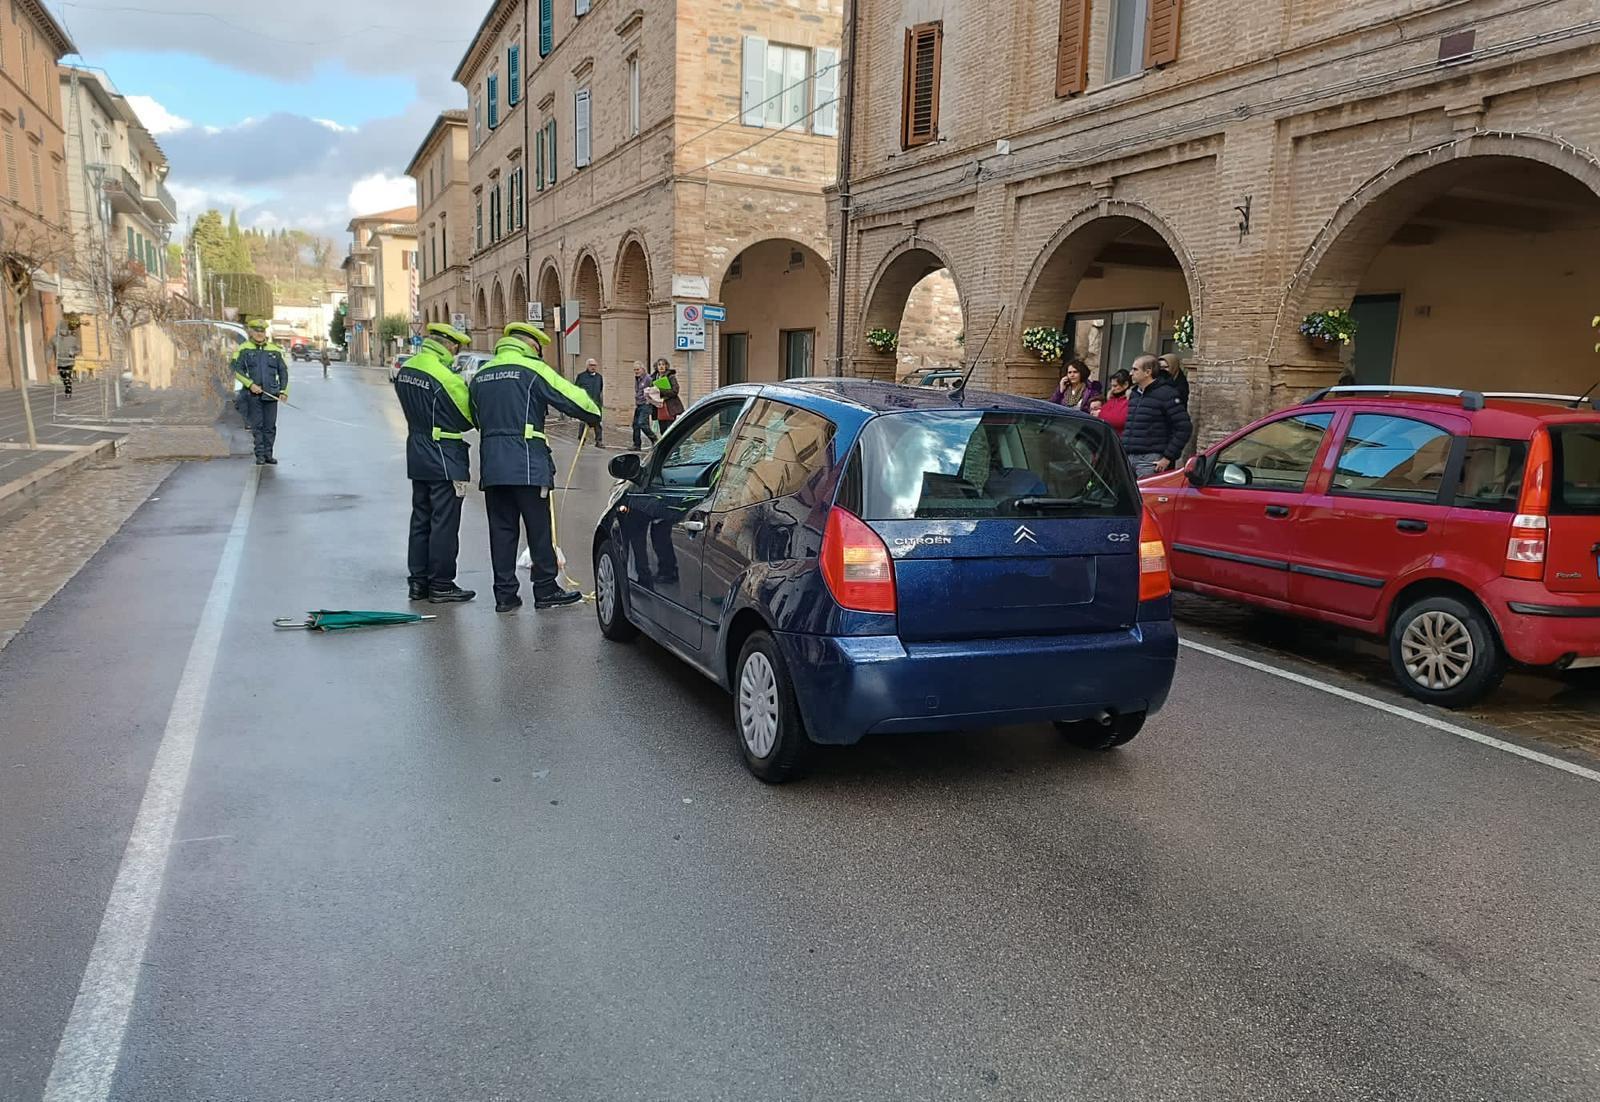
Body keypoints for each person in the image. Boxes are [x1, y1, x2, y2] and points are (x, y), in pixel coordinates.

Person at [469, 322, 602, 613]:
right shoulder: (532, 369)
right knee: (539, 528)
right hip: (528, 463)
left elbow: (475, 417)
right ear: (532, 345)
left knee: (501, 531)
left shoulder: (480, 375)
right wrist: (593, 414)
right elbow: (577, 400)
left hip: (493, 466)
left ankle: (505, 596)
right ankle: (545, 590)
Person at [394, 322, 477, 605]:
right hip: (445, 455)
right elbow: (468, 417)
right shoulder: (445, 376)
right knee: (444, 521)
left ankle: (418, 583)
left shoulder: (408, 368)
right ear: (450, 345)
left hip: (417, 451)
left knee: (421, 518)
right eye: (456, 348)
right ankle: (442, 583)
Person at [1121, 354, 1192, 479]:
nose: (1131, 373)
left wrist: (1168, 457)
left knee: (1147, 496)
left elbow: (1184, 427)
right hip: (1128, 455)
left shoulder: (1166, 393)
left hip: (1150, 459)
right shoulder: (1134, 394)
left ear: (1148, 372)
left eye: (1135, 369)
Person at [232, 318, 290, 465]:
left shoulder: (275, 350)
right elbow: (235, 369)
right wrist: (250, 384)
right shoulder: (243, 349)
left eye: (262, 331)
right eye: (256, 331)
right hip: (253, 395)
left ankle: (269, 454)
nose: (259, 334)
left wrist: (283, 391)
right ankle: (260, 455)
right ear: (251, 332)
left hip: (271, 394)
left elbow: (284, 372)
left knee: (270, 427)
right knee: (257, 426)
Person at [576, 357, 605, 447]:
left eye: (594, 365)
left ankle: (598, 441)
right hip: (585, 403)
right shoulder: (581, 376)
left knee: (597, 423)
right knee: (583, 422)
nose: (593, 367)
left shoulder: (599, 377)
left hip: (596, 403)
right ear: (587, 366)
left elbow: (600, 388)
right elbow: (577, 388)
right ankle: (581, 439)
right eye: (591, 365)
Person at [631, 361, 658, 449]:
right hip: (638, 404)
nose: (636, 371)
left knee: (642, 423)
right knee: (635, 425)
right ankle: (636, 444)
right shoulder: (637, 379)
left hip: (646, 404)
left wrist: (649, 400)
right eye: (635, 370)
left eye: (638, 369)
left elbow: (653, 390)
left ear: (642, 369)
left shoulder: (648, 379)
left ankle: (654, 439)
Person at [652, 358, 684, 429]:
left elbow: (675, 391)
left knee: (670, 428)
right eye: (659, 365)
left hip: (670, 406)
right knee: (662, 429)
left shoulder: (670, 377)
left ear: (666, 366)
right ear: (656, 367)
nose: (661, 366)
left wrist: (660, 390)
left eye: (663, 364)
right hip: (658, 407)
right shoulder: (654, 378)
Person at [1098, 369, 1133, 434]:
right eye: (1111, 386)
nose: (1112, 389)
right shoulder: (1111, 399)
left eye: (1115, 386)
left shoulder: (1130, 401)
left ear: (1126, 384)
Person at [50, 321, 78, 398]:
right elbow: (50, 349)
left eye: (64, 329)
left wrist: (73, 352)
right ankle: (67, 386)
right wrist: (48, 358)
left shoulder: (72, 339)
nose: (63, 331)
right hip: (60, 362)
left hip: (69, 361)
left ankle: (68, 391)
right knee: (63, 376)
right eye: (61, 329)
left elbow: (78, 349)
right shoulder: (54, 339)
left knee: (68, 376)